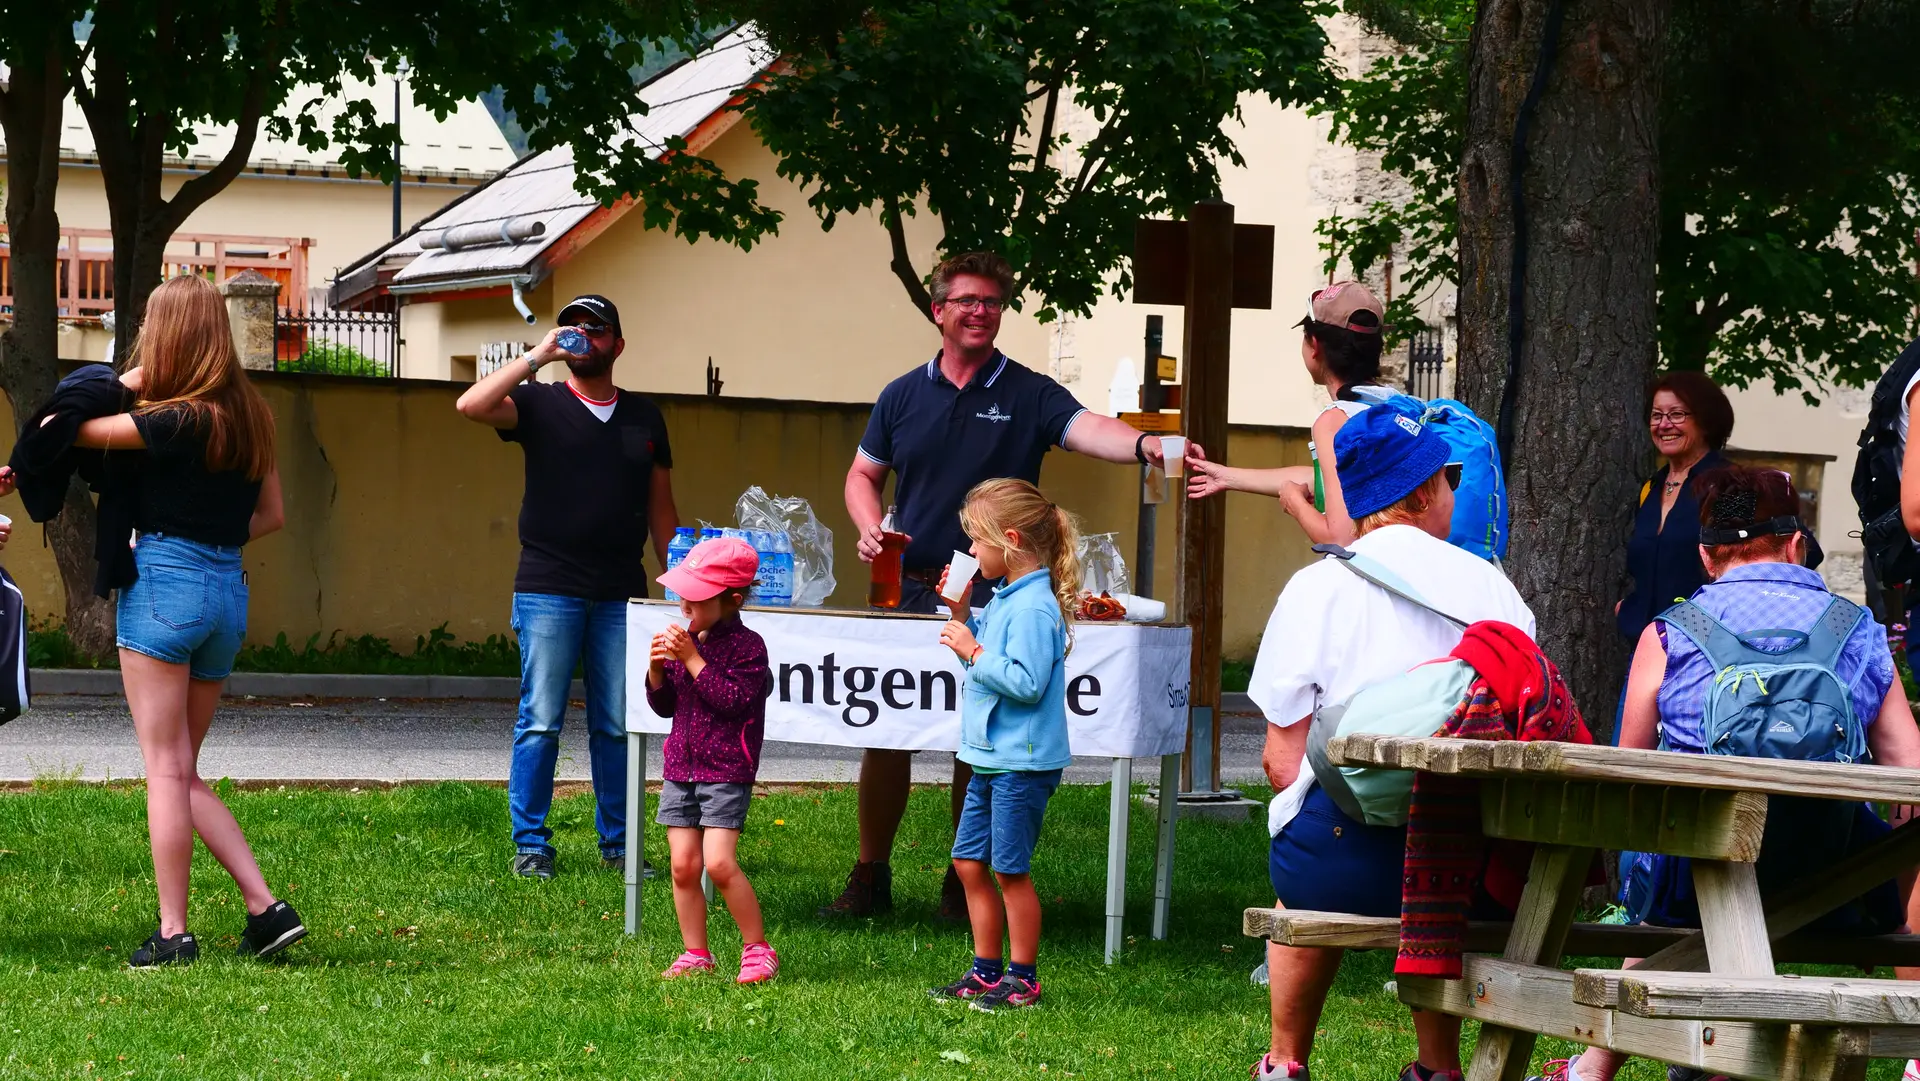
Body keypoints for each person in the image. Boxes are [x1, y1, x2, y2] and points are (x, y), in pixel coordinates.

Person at [1540, 465, 1920, 1081]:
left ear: (1705, 555)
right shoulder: (1855, 629)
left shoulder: (1671, 633)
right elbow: (1910, 770)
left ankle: (1596, 1069)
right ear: (1796, 545)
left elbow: (1627, 769)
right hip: (1835, 885)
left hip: (1687, 891)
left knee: (1681, 843)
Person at [829, 251, 1167, 920]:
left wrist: (1142, 445)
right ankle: (870, 876)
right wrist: (870, 527)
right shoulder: (901, 394)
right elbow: (863, 475)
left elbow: (1088, 428)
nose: (980, 311)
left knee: (981, 736)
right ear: (938, 311)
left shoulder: (1029, 392)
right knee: (887, 733)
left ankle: (966, 883)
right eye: (966, 301)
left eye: (991, 302)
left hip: (996, 590)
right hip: (912, 589)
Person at [1247, 405, 1537, 1081]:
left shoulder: (1316, 588)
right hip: (1469, 868)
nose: (1455, 492)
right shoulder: (1494, 588)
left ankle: (1286, 1062)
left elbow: (1281, 762)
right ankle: (1438, 1066)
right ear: (1423, 492)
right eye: (1450, 478)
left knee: (1301, 888)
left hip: (1338, 863)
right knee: (1438, 842)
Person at [44, 275, 300, 966]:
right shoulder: (253, 416)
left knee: (164, 768)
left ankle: (173, 932)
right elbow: (273, 515)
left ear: (167, 335)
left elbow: (67, 426)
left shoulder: (173, 419)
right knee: (182, 768)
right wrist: (211, 538)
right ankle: (265, 909)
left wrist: (126, 378)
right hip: (227, 591)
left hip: (164, 584)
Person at [456, 294, 680, 879]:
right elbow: (471, 405)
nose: (582, 335)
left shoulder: (644, 417)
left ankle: (620, 847)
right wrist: (540, 354)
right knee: (540, 719)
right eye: (573, 326)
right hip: (548, 586)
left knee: (617, 722)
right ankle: (531, 844)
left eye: (595, 328)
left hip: (620, 591)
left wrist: (680, 586)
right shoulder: (538, 401)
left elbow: (662, 511)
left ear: (617, 345)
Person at [927, 479, 1078, 1012]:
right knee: (969, 863)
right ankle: (986, 972)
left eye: (977, 540)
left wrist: (972, 651)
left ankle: (1023, 978)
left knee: (1010, 870)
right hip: (990, 758)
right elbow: (986, 654)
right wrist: (961, 614)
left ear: (1010, 540)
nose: (971, 551)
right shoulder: (1008, 598)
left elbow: (1027, 682)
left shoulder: (1033, 608)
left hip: (1022, 762)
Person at [646, 536, 778, 984]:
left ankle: (757, 948)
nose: (685, 605)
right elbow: (665, 706)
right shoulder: (688, 641)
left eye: (697, 598)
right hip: (680, 769)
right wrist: (657, 669)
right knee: (683, 865)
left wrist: (692, 658)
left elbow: (733, 701)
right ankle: (695, 952)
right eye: (683, 594)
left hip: (725, 771)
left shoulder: (748, 647)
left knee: (719, 863)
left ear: (732, 601)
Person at [1185, 281, 1387, 545]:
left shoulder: (1336, 421)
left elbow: (1340, 539)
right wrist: (1227, 476)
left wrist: (1295, 504)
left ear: (1314, 345)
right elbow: (1324, 481)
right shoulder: (1394, 406)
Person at [1615, 372, 1733, 649]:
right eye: (1656, 415)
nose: (1664, 424)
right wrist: (1630, 608)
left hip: (1707, 650)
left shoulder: (1728, 485)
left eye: (1677, 414)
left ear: (1706, 420)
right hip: (1647, 649)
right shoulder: (1650, 489)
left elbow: (1789, 551)